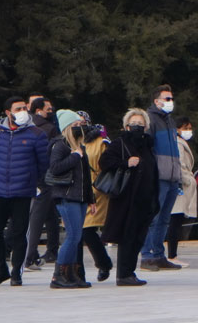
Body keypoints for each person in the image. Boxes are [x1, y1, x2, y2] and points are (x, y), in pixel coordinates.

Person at [0, 96, 51, 286]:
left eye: (24, 108)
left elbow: (43, 163)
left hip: (23, 191)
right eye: (18, 108)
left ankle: (16, 272)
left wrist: (33, 181)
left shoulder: (36, 134)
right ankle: (1, 269)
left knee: (19, 232)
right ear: (8, 113)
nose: (23, 111)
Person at [98, 108, 160, 286]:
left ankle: (130, 272)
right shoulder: (119, 143)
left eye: (141, 124)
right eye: (133, 124)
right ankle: (123, 274)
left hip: (145, 199)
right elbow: (104, 162)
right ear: (126, 126)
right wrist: (126, 163)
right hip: (127, 200)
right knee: (127, 236)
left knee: (138, 237)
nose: (137, 127)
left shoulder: (148, 145)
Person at [45, 111, 92, 289]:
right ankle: (58, 275)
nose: (80, 128)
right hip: (66, 196)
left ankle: (71, 273)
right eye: (75, 125)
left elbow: (86, 176)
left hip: (79, 197)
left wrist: (91, 198)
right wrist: (74, 156)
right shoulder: (60, 145)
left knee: (77, 237)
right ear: (67, 128)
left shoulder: (80, 147)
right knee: (73, 236)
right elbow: (55, 168)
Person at [139, 85, 184, 272]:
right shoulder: (150, 120)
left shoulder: (170, 121)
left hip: (172, 175)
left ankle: (158, 254)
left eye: (171, 98)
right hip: (158, 176)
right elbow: (146, 149)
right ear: (156, 101)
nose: (170, 102)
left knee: (165, 218)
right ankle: (147, 255)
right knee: (153, 217)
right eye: (167, 99)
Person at [22, 94, 61, 270]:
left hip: (27, 176)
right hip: (44, 177)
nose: (51, 111)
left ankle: (50, 249)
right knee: (37, 217)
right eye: (48, 109)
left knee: (48, 214)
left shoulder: (22, 127)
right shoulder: (48, 129)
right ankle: (30, 256)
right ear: (38, 110)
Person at [77, 115, 114, 282]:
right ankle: (77, 272)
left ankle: (103, 262)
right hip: (75, 191)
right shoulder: (70, 141)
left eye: (81, 122)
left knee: (87, 229)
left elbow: (108, 164)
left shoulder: (100, 141)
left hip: (96, 189)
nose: (79, 125)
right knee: (76, 232)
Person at [167, 117, 197, 262]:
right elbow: (179, 164)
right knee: (175, 220)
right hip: (180, 185)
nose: (188, 131)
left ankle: (173, 253)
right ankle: (172, 254)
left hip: (182, 184)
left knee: (176, 220)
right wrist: (187, 179)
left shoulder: (181, 142)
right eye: (186, 128)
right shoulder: (177, 143)